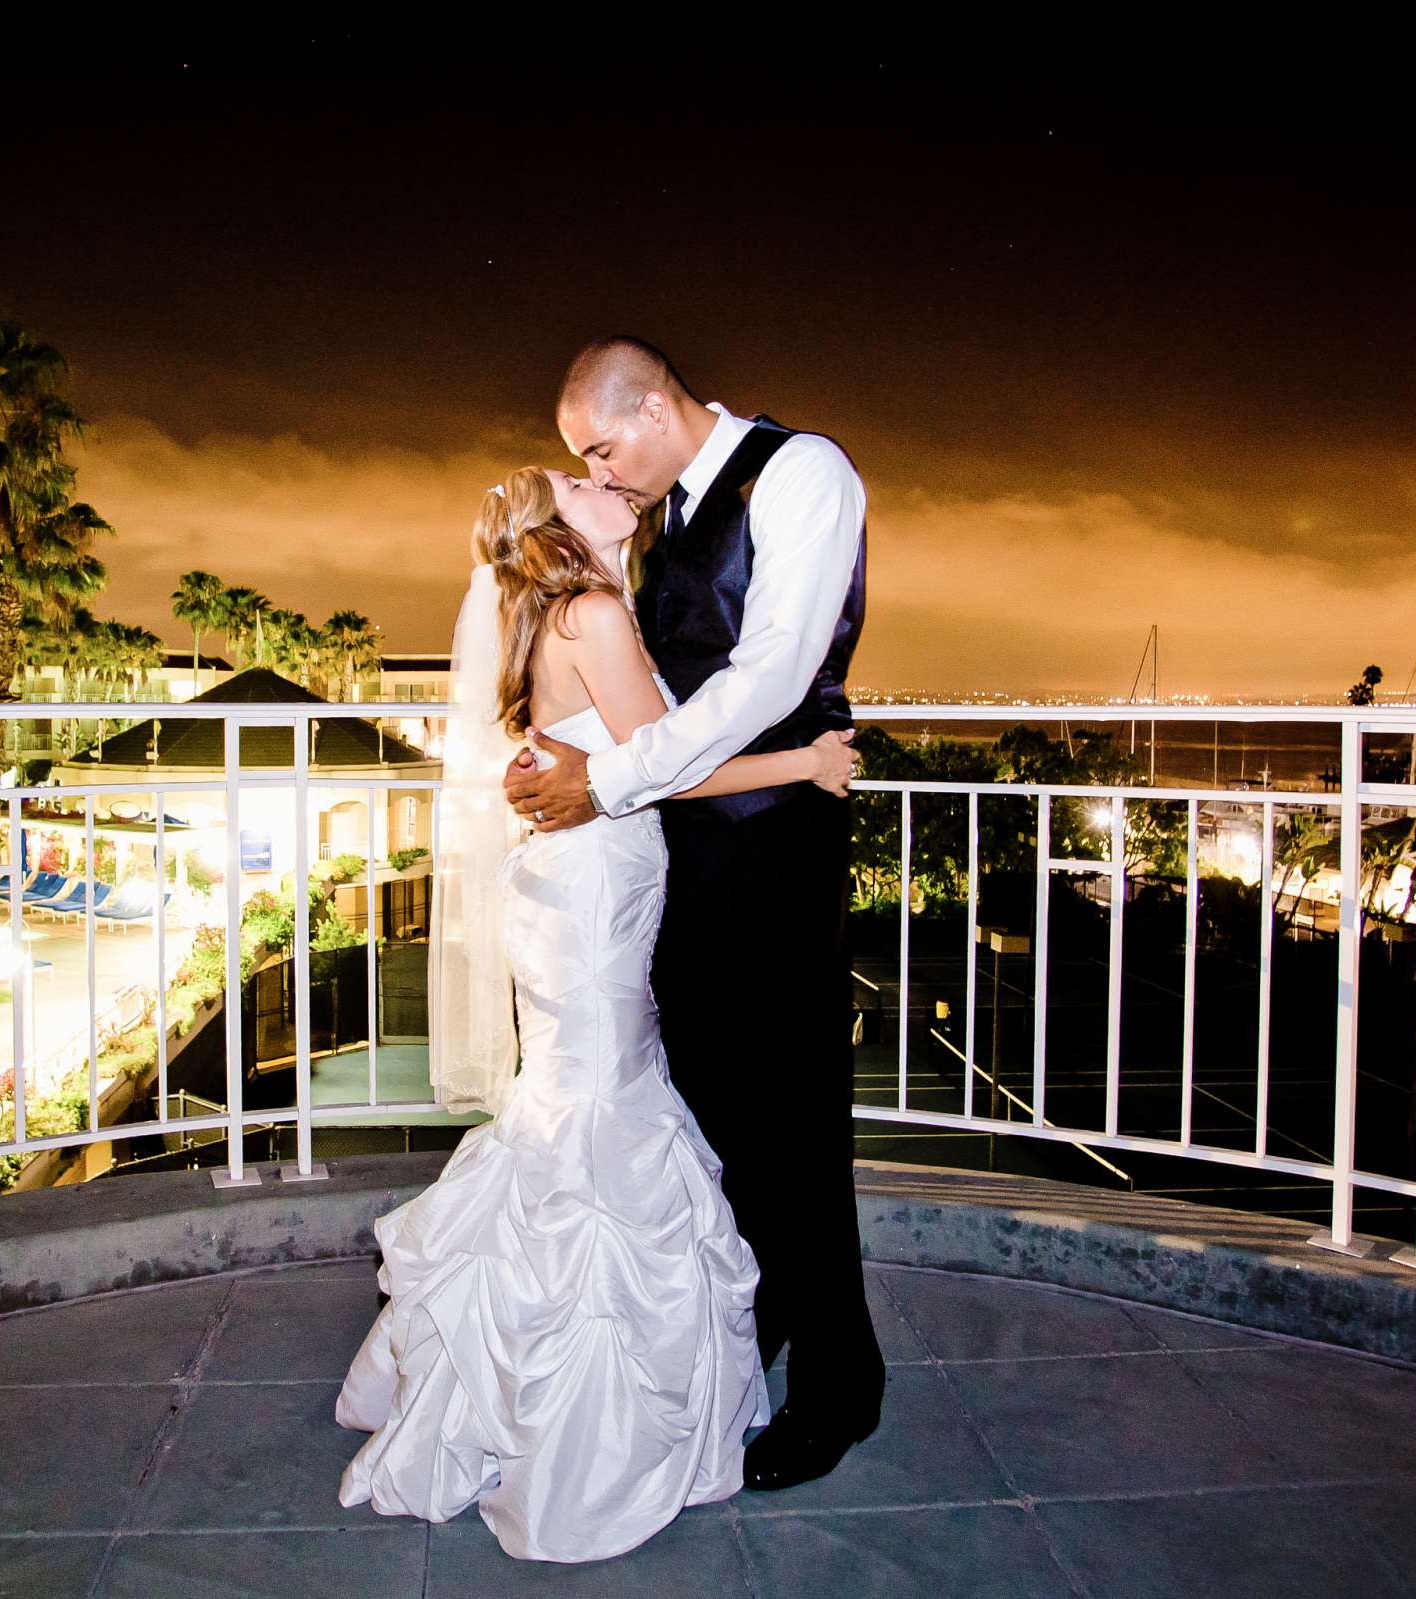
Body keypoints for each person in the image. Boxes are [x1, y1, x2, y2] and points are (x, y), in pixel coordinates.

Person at [335, 465, 857, 1563]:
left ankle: (492, 1376)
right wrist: (804, 760)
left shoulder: (541, 616)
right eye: (581, 476)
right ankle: (580, 1418)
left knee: (568, 1104)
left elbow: (612, 750)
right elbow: (667, 765)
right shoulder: (597, 612)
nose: (606, 480)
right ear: (561, 521)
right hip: (597, 888)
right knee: (601, 1118)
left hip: (560, 890)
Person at [504, 337, 885, 1492]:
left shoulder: (801, 471)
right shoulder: (665, 513)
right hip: (680, 851)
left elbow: (770, 674)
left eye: (602, 448)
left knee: (796, 1113)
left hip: (774, 840)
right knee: (713, 1106)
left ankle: (840, 1386)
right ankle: (754, 1315)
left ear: (657, 406)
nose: (602, 475)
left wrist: (604, 783)